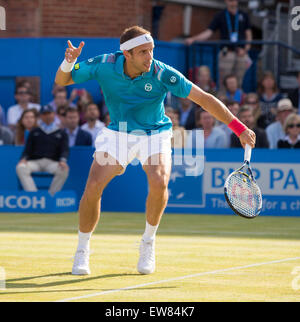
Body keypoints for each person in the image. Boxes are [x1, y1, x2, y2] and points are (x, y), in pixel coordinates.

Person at [55, 25, 255, 276]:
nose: (150, 57)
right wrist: (68, 62)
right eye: (143, 52)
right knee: (93, 186)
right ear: (127, 54)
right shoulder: (104, 64)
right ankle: (83, 249)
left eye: (151, 50)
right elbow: (63, 80)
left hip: (155, 133)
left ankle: (148, 242)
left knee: (160, 181)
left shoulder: (162, 73)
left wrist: (238, 127)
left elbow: (204, 98)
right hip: (119, 132)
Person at [185, 0, 252, 88]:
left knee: (239, 82)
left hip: (241, 53)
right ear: (226, 1)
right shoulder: (220, 15)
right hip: (226, 53)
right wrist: (193, 39)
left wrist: (245, 50)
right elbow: (209, 32)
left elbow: (249, 35)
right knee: (224, 81)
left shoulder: (243, 15)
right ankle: (224, 100)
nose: (232, 2)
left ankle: (237, 100)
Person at [16, 105, 69, 196]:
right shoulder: (35, 131)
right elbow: (28, 149)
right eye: (44, 114)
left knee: (64, 170)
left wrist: (63, 160)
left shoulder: (61, 133)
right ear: (41, 116)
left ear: (54, 115)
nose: (47, 116)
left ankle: (51, 196)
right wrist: (24, 158)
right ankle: (34, 196)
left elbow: (65, 150)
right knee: (20, 167)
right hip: (35, 162)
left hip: (52, 163)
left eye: (49, 113)